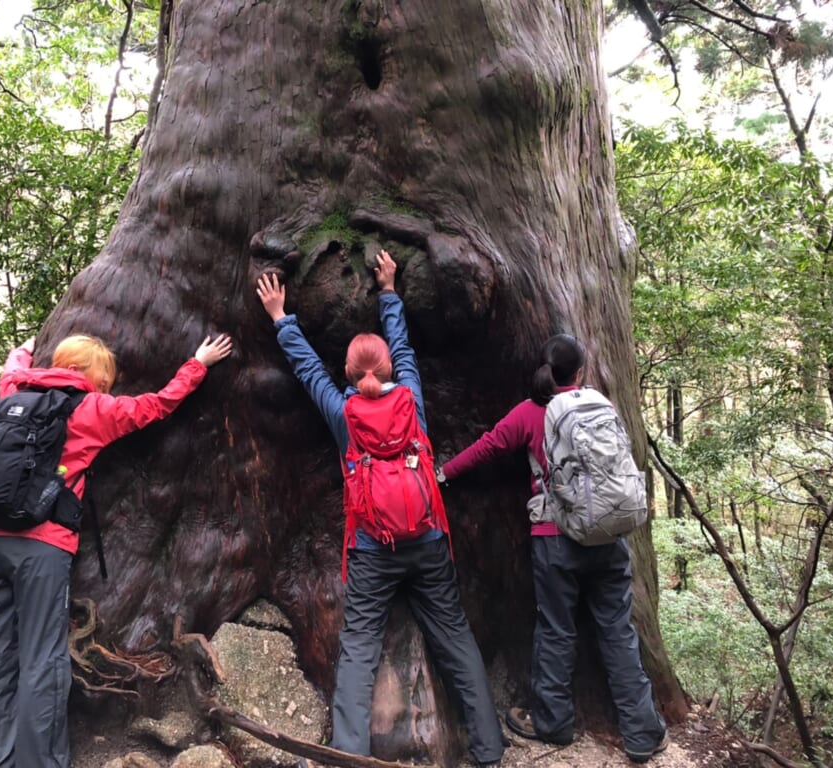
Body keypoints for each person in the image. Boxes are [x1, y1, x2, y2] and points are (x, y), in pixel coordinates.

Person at [256, 252, 504, 768]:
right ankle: (489, 748)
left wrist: (281, 317)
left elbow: (306, 369)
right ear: (390, 367)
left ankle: (352, 757)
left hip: (372, 547)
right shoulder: (412, 399)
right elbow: (406, 347)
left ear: (347, 371)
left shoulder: (343, 413)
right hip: (429, 538)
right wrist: (389, 290)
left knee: (359, 650)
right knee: (455, 638)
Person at [0, 331, 232, 768]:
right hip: (41, 547)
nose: (105, 386)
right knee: (42, 658)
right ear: (92, 376)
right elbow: (158, 404)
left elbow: (10, 368)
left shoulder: (16, 390)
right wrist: (198, 363)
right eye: (103, 378)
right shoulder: (93, 408)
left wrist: (26, 347)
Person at [438, 333, 668, 764]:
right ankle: (641, 732)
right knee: (617, 631)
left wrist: (443, 474)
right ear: (580, 372)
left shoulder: (529, 415)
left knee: (557, 630)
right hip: (607, 536)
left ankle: (554, 722)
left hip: (555, 540)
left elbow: (488, 446)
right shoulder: (600, 405)